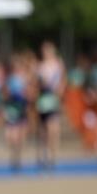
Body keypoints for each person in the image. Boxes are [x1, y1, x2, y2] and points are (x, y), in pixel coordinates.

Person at [35, 41, 66, 169]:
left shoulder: (58, 64)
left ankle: (53, 156)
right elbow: (37, 84)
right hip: (43, 100)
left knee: (54, 129)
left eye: (48, 50)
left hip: (54, 100)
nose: (46, 53)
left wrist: (61, 92)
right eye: (44, 51)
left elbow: (64, 80)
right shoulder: (40, 66)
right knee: (44, 130)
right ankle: (44, 153)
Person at [3, 54, 30, 170]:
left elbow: (30, 93)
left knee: (21, 137)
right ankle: (14, 156)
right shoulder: (8, 79)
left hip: (22, 108)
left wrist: (25, 94)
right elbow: (4, 94)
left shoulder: (25, 78)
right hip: (11, 109)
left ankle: (18, 158)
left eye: (18, 67)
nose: (16, 69)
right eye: (14, 67)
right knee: (11, 136)